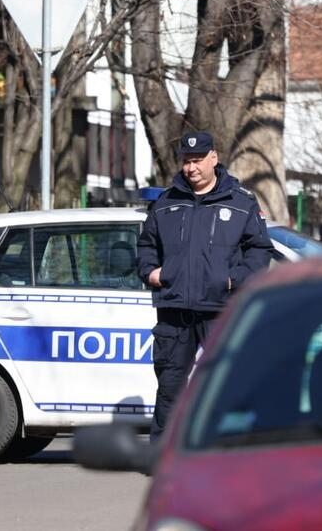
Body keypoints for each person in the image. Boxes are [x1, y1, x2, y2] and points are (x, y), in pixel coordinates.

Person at [136, 131, 272, 440]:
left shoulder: (241, 203)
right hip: (175, 310)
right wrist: (152, 273)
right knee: (170, 386)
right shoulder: (167, 202)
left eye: (197, 160)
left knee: (228, 384)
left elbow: (260, 250)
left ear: (214, 158)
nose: (191, 168)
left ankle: (228, 453)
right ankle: (165, 456)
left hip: (221, 310)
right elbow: (146, 245)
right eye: (186, 161)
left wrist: (232, 280)